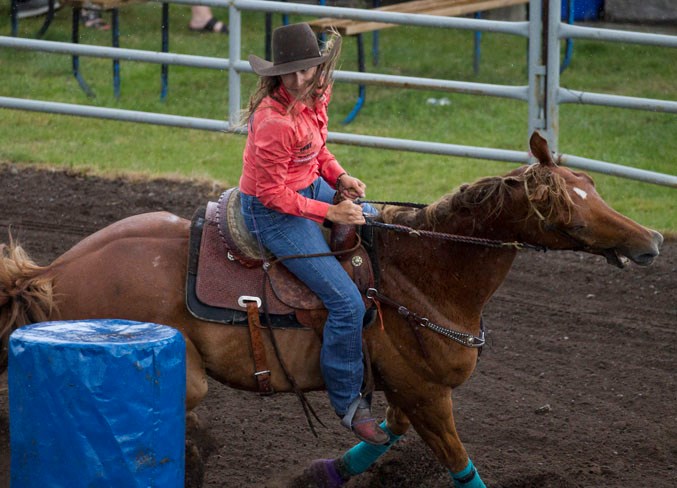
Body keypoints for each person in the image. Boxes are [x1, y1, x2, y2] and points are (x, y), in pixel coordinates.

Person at [239, 23, 388, 446]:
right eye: (290, 74)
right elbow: (270, 194)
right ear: (276, 75)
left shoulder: (317, 96)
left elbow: (317, 150)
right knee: (344, 303)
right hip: (270, 213)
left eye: (306, 71)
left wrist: (340, 176)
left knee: (373, 220)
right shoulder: (272, 121)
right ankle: (347, 403)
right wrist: (330, 210)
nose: (300, 81)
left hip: (307, 187)